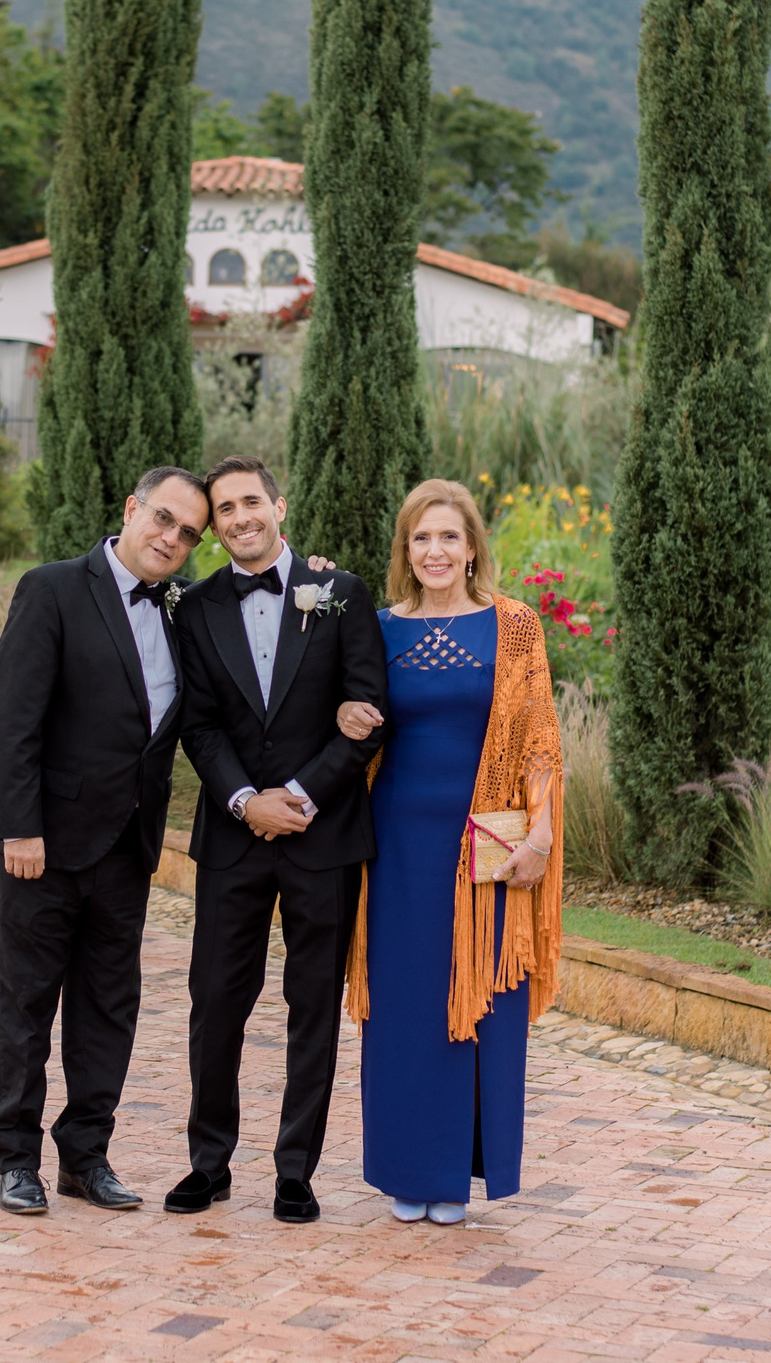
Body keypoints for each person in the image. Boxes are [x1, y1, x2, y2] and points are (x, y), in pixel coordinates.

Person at [0, 466, 211, 1217]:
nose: (172, 538)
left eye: (187, 533)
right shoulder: (51, 588)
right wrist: (19, 825)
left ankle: (86, 1155)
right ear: (131, 508)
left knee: (108, 1008)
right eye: (164, 519)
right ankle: (17, 1159)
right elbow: (12, 719)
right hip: (40, 846)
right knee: (24, 1005)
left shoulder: (183, 611)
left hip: (126, 850)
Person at [335, 477, 563, 1226]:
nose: (435, 550)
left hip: (486, 844)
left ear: (472, 549)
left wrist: (542, 830)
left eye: (449, 537)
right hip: (397, 843)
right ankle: (409, 1170)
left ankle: (460, 1174)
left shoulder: (515, 626)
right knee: (404, 1004)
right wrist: (343, 711)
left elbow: (538, 740)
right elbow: (345, 720)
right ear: (406, 549)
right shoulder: (376, 627)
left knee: (480, 1001)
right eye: (420, 537)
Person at [167, 457, 389, 1223]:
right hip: (234, 839)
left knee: (312, 1005)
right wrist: (242, 800)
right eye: (224, 508)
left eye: (249, 501)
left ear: (279, 505)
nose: (239, 517)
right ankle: (208, 1161)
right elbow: (197, 721)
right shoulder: (192, 609)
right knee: (215, 1001)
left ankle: (296, 1169)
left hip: (322, 836)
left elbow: (365, 711)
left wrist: (295, 797)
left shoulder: (343, 593)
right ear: (216, 524)